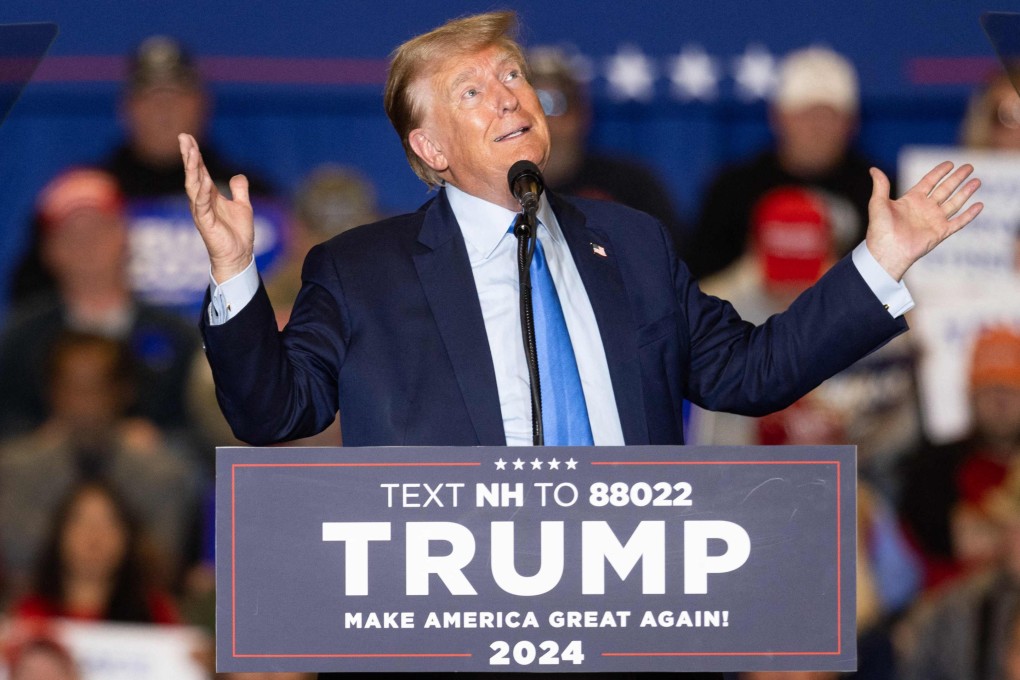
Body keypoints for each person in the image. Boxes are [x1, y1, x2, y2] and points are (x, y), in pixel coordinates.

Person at [180, 11, 979, 679]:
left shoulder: (630, 244)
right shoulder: (362, 270)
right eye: (473, 90)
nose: (509, 98)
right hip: (448, 630)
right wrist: (235, 274)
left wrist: (881, 261)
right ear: (430, 148)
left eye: (513, 77)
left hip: (630, 619)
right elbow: (273, 411)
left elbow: (751, 370)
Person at [0, 167, 202, 443]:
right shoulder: (22, 339)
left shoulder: (177, 337)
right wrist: (40, 439)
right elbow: (8, 423)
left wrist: (159, 440)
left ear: (125, 235)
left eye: (99, 228)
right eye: (71, 234)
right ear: (48, 250)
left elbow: (203, 426)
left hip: (150, 474)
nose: (88, 244)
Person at [0, 331, 202, 593]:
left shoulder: (163, 474)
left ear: (125, 391)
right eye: (71, 387)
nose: (84, 401)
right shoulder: (16, 469)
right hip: (36, 617)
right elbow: (18, 560)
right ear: (51, 391)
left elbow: (162, 571)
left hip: (134, 623)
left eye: (96, 387)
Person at [686, 47, 891, 280]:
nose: (817, 128)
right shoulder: (734, 188)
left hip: (852, 312)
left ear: (852, 123)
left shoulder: (878, 190)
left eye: (829, 115)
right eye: (804, 115)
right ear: (777, 116)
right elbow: (699, 284)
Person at [899, 325, 1020, 590]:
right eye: (990, 390)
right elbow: (960, 542)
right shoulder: (936, 465)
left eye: (1010, 391)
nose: (1000, 403)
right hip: (954, 610)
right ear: (970, 395)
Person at [526, 46, 686, 248]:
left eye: (556, 104)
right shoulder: (497, 191)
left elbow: (667, 264)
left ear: (583, 114)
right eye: (531, 103)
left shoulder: (631, 187)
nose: (544, 118)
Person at [9, 480, 181, 624]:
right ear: (60, 535)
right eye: (82, 522)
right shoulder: (30, 613)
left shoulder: (156, 612)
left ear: (127, 537)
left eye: (108, 523)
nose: (95, 536)